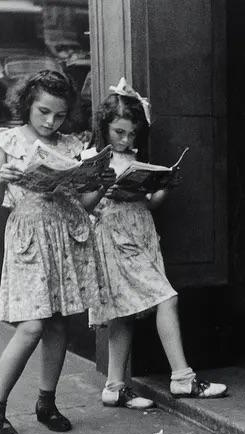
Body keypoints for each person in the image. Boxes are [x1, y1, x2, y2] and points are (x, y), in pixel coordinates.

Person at [80, 78, 227, 408]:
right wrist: (104, 187)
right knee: (166, 298)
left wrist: (163, 185)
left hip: (140, 234)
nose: (126, 139)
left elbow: (148, 203)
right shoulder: (92, 157)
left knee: (124, 312)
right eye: (119, 132)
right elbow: (86, 205)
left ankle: (115, 386)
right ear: (104, 127)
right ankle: (182, 378)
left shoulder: (133, 156)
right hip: (114, 237)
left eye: (132, 133)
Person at [0, 70, 104, 434]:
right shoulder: (7, 140)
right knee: (31, 326)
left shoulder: (70, 145)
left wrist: (102, 186)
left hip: (63, 236)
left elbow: (83, 202)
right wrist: (2, 176)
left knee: (58, 324)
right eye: (43, 112)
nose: (51, 122)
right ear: (27, 105)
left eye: (60, 115)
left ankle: (46, 403)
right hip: (28, 238)